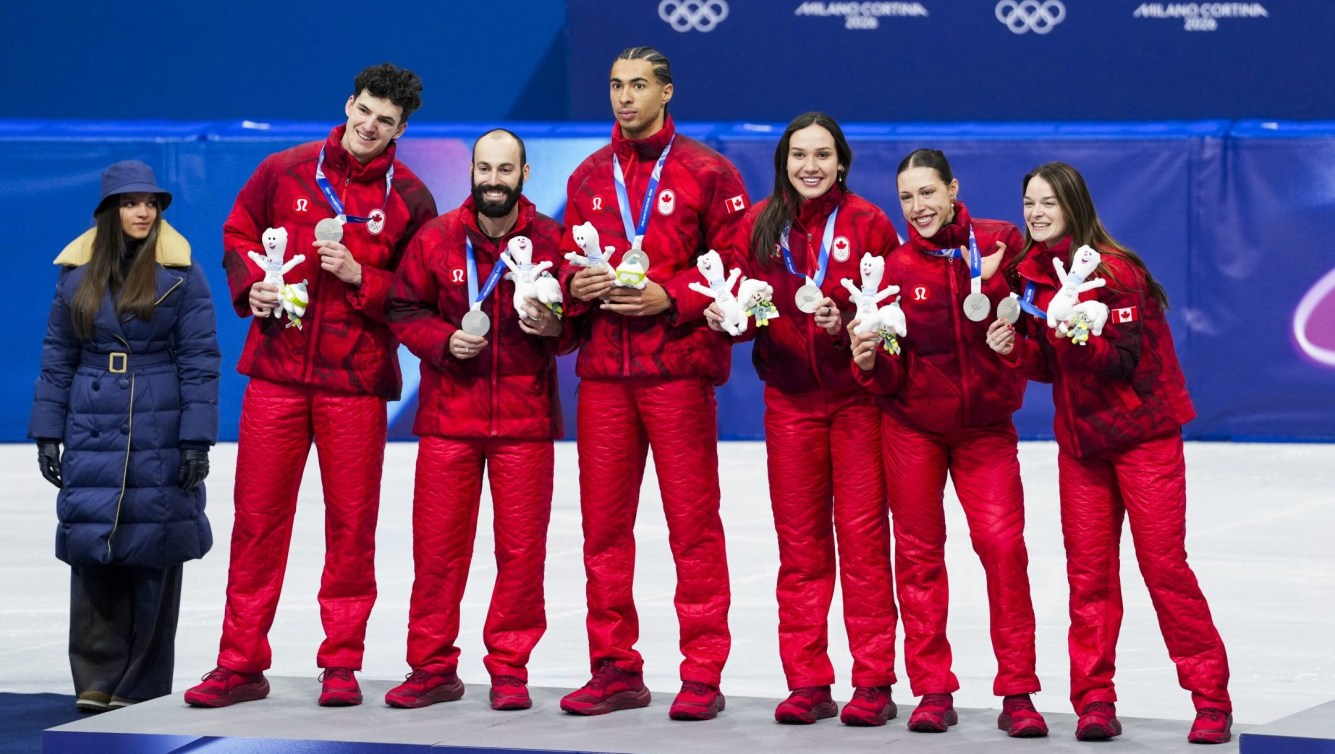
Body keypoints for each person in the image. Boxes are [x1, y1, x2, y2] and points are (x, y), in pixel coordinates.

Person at [185, 63, 438, 708]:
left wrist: (362, 275)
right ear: (349, 103)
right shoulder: (286, 170)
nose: (369, 127)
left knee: (352, 526)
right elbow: (238, 230)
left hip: (353, 382)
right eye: (365, 111)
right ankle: (240, 663)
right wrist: (252, 284)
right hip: (278, 372)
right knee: (258, 523)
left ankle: (342, 663)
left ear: (401, 128)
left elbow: (416, 298)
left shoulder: (410, 199)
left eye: (386, 121)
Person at [985, 161, 1232, 744]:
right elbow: (1049, 365)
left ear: (1074, 205)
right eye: (1028, 203)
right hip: (1084, 449)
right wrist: (1012, 350)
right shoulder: (1031, 275)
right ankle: (1094, 700)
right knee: (1089, 578)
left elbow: (1120, 363)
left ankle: (1211, 698)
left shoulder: (1118, 273)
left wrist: (1078, 336)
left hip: (1144, 441)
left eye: (1047, 202)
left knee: (1164, 569)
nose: (1035, 213)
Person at [558, 45, 750, 721]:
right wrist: (571, 286)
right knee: (603, 529)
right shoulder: (586, 176)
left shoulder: (707, 171)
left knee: (691, 526)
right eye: (614, 85)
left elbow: (736, 260)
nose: (623, 97)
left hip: (675, 371)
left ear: (666, 92)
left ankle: (701, 671)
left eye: (637, 85)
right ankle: (614, 667)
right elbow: (559, 269)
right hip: (604, 376)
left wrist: (670, 296)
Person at [707, 112, 899, 726]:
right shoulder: (759, 225)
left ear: (840, 162)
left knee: (865, 546)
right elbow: (733, 297)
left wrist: (851, 328)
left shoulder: (869, 224)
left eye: (821, 155)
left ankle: (873, 682)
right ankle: (808, 681)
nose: (809, 167)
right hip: (790, 405)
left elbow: (895, 325)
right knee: (801, 547)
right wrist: (724, 321)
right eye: (798, 155)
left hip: (858, 405)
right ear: (783, 162)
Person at [849, 148, 1047, 737]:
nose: (918, 207)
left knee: (1003, 548)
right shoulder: (894, 268)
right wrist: (868, 362)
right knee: (917, 557)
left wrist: (1022, 344)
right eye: (907, 197)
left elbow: (1038, 312)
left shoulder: (1002, 243)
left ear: (953, 189)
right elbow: (888, 369)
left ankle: (1018, 692)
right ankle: (932, 689)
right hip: (913, 429)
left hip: (986, 429)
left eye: (928, 193)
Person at [382, 129, 567, 712]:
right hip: (447, 419)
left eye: (504, 170)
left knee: (521, 553)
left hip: (525, 420)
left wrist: (556, 328)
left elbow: (579, 320)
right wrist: (440, 340)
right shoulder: (436, 238)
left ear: (524, 174)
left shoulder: (552, 241)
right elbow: (403, 307)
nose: (493, 180)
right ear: (472, 171)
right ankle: (431, 667)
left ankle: (509, 668)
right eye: (484, 168)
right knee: (437, 551)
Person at [30, 160, 220, 713]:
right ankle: (95, 675)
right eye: (131, 202)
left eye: (151, 202)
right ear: (110, 211)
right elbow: (57, 357)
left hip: (158, 419)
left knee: (154, 548)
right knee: (93, 547)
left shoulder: (184, 277)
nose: (143, 212)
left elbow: (201, 361)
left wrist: (195, 440)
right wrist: (46, 432)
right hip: (90, 419)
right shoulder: (75, 278)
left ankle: (140, 682)